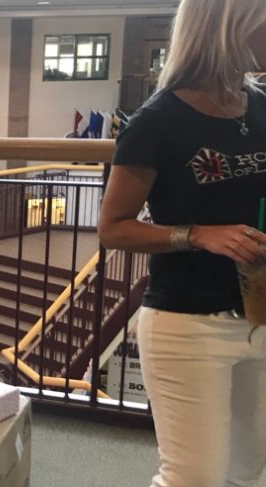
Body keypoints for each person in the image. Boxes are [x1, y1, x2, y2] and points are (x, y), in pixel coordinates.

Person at [98, 2, 266, 486]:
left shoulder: (260, 105)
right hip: (189, 328)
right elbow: (113, 227)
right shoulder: (157, 120)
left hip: (259, 316)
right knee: (193, 478)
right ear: (232, 25)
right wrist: (196, 235)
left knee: (247, 474)